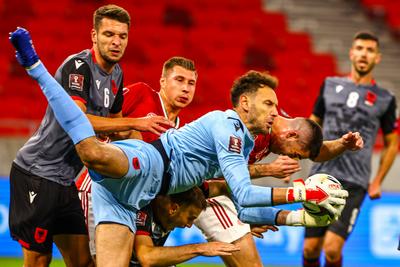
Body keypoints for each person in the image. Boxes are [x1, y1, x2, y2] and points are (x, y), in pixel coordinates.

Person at [9, 27, 349, 267]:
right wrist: (301, 193)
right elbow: (244, 194)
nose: (276, 112)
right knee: (92, 152)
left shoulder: (242, 144)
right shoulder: (227, 125)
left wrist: (299, 217)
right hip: (150, 164)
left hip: (132, 198)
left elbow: (242, 207)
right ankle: (35, 68)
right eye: (270, 104)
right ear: (245, 103)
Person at [8, 6, 172, 267]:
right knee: (39, 260)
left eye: (122, 36)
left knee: (83, 262)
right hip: (36, 174)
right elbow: (79, 121)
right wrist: (138, 122)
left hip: (65, 181)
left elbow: (119, 128)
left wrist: (150, 158)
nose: (116, 42)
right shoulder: (79, 67)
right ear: (93, 36)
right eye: (108, 34)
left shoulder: (117, 74)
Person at [195, 115, 363, 267]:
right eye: (295, 154)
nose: (292, 158)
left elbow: (311, 148)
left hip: (214, 191)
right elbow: (228, 178)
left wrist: (341, 144)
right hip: (204, 189)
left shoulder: (275, 132)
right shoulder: (249, 127)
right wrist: (269, 170)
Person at [77, 55, 197, 257]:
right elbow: (99, 120)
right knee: (90, 261)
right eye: (179, 80)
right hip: (99, 187)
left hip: (129, 202)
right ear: (163, 81)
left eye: (191, 83)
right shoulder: (142, 93)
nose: (186, 88)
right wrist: (129, 127)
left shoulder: (182, 132)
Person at [302, 31, 398, 267]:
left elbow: (392, 143)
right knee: (310, 248)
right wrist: (295, 155)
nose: (364, 54)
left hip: (354, 182)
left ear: (377, 57)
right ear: (352, 53)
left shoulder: (385, 98)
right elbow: (311, 125)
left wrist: (377, 181)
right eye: (360, 48)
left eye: (370, 50)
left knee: (332, 249)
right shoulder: (329, 85)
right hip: (321, 175)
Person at [132, 185, 243, 267]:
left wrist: (246, 217)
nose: (189, 225)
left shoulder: (188, 193)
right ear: (173, 209)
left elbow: (222, 186)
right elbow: (146, 257)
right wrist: (200, 248)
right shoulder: (143, 211)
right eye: (190, 218)